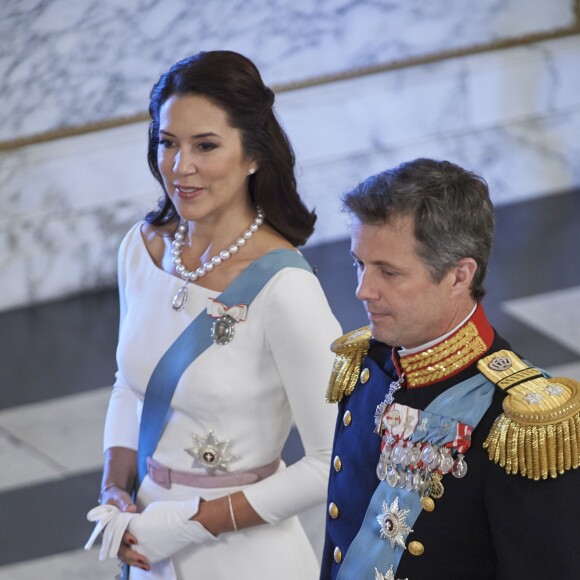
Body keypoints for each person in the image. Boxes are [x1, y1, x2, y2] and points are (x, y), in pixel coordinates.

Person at [84, 50, 341, 579]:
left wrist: (190, 524)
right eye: (168, 143)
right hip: (146, 543)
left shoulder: (287, 288)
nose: (182, 167)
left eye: (206, 146)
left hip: (246, 556)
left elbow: (328, 462)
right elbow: (129, 386)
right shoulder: (142, 248)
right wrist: (116, 489)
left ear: (253, 154)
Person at [320, 158, 580, 580]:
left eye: (388, 272)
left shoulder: (520, 425)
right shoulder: (367, 368)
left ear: (460, 275)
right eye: (359, 264)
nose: (362, 290)